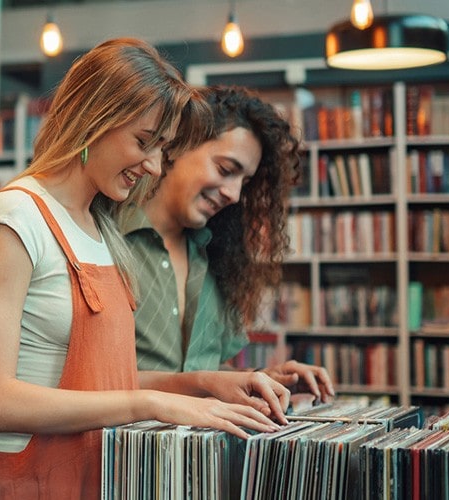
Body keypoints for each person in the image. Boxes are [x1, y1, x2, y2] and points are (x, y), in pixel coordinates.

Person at [0, 39, 291, 498]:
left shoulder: (102, 229)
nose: (156, 166)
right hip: (32, 483)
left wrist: (203, 384)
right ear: (94, 118)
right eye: (144, 142)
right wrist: (153, 402)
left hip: (97, 477)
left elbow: (102, 382)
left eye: (163, 149)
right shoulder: (15, 216)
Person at [118, 85, 337, 405]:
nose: (233, 194)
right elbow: (88, 379)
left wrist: (260, 380)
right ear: (179, 144)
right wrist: (206, 383)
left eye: (244, 182)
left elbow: (204, 369)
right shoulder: (106, 239)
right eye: (225, 170)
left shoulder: (216, 256)